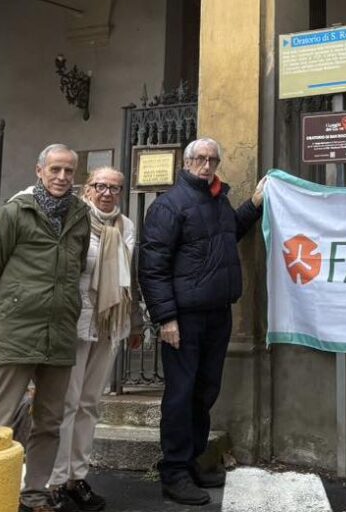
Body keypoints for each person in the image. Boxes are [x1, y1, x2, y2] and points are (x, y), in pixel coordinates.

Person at [138, 138, 265, 506]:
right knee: (180, 393)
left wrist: (254, 206)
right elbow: (153, 266)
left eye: (212, 160)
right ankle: (174, 470)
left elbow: (228, 233)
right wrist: (166, 318)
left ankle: (191, 459)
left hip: (216, 312)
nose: (206, 165)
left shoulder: (217, 200)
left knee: (205, 389)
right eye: (200, 159)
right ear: (187, 162)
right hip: (183, 316)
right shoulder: (169, 205)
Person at [0, 144, 91, 512]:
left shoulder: (80, 215)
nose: (62, 177)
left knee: (49, 420)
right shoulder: (15, 212)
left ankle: (34, 494)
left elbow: (77, 268)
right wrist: (10, 310)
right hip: (18, 328)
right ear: (39, 171)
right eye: (55, 170)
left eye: (69, 172)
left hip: (60, 329)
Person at [49, 167, 141, 511]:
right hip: (75, 322)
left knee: (90, 404)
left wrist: (134, 321)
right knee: (66, 404)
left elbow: (128, 277)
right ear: (87, 189)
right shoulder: (73, 218)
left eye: (115, 188)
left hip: (109, 324)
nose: (107, 193)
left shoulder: (126, 226)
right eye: (100, 186)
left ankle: (77, 477)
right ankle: (54, 481)